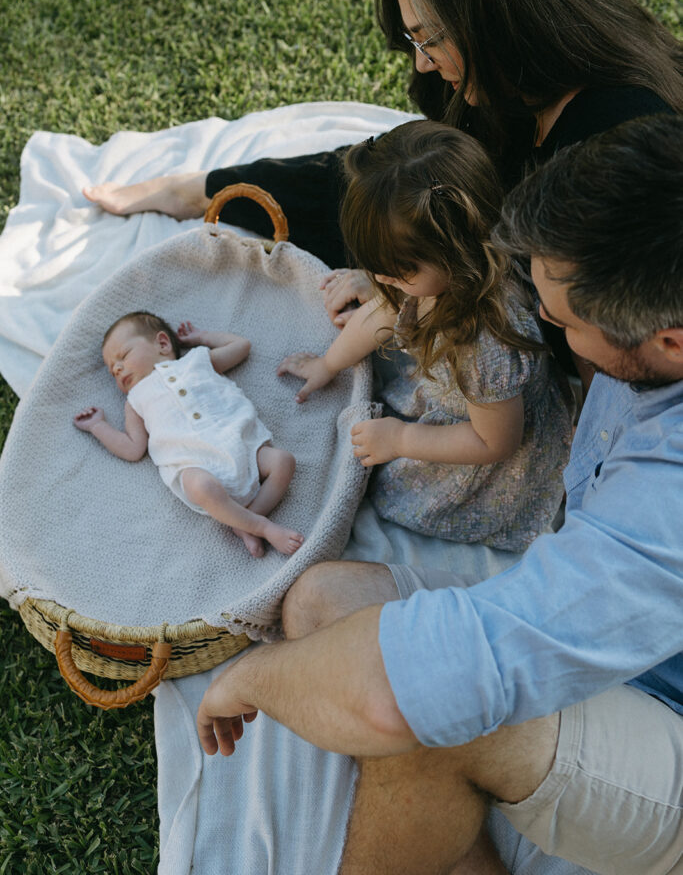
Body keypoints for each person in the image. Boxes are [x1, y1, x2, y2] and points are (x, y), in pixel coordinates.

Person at [194, 114, 683, 875]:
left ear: (669, 339)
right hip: (613, 622)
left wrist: (246, 676)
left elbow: (420, 685)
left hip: (665, 708)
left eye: (565, 319)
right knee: (320, 603)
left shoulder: (666, 499)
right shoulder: (646, 327)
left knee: (434, 720)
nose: (544, 322)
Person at [82, 0, 680, 295]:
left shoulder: (615, 138)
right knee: (370, 187)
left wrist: (395, 297)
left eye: (433, 40)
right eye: (415, 41)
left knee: (391, 211)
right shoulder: (521, 86)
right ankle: (198, 188)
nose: (422, 65)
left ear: (501, 21)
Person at [278, 120, 571, 550]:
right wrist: (328, 363)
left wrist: (402, 439)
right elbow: (386, 310)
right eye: (377, 267)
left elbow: (495, 441)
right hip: (466, 401)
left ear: (457, 250)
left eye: (399, 270)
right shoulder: (450, 273)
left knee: (385, 484)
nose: (383, 278)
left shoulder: (488, 342)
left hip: (486, 452)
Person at [73, 312, 303, 557]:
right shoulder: (135, 400)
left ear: (162, 344)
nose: (117, 369)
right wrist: (98, 426)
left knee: (283, 461)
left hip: (241, 444)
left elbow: (240, 346)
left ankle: (244, 524)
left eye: (123, 356)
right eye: (112, 371)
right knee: (200, 487)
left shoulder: (197, 361)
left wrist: (200, 337)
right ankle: (263, 527)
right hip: (194, 463)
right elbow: (132, 448)